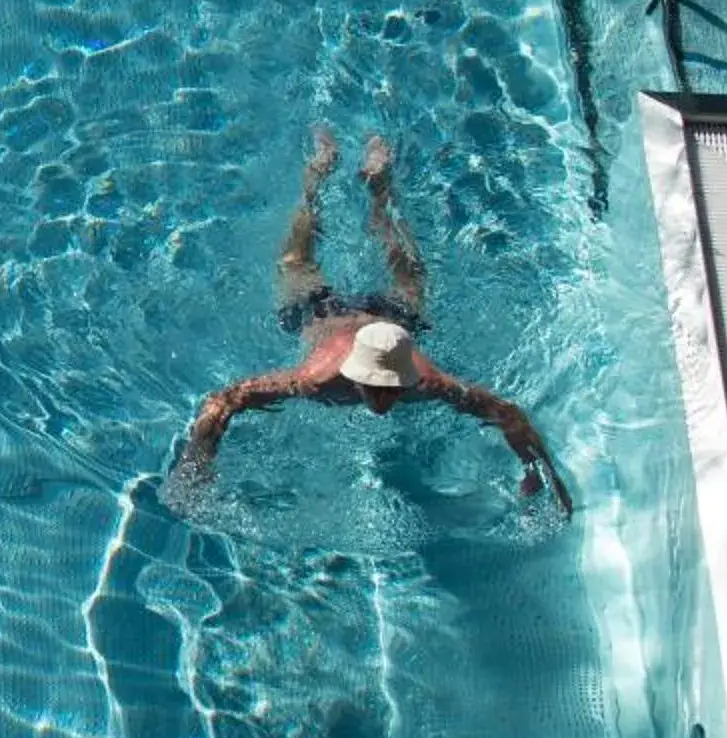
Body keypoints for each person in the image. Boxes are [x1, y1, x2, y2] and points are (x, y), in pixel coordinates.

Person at [175, 126, 571, 513]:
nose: (382, 400)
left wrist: (541, 473)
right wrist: (195, 470)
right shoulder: (316, 377)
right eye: (374, 386)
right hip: (319, 313)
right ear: (353, 372)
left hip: (391, 318)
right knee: (296, 258)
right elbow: (224, 400)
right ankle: (316, 176)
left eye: (392, 388)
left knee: (408, 268)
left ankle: (379, 186)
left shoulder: (428, 381)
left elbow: (508, 414)